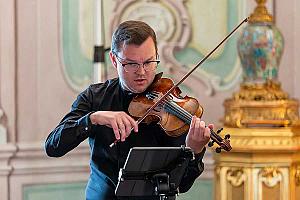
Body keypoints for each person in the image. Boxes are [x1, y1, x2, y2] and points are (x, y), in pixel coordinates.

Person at [45, 20, 212, 200]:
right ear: (114, 60)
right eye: (131, 64)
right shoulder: (94, 97)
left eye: (149, 62)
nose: (141, 72)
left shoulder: (171, 108)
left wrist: (194, 151)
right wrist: (93, 118)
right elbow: (53, 146)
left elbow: (183, 185)